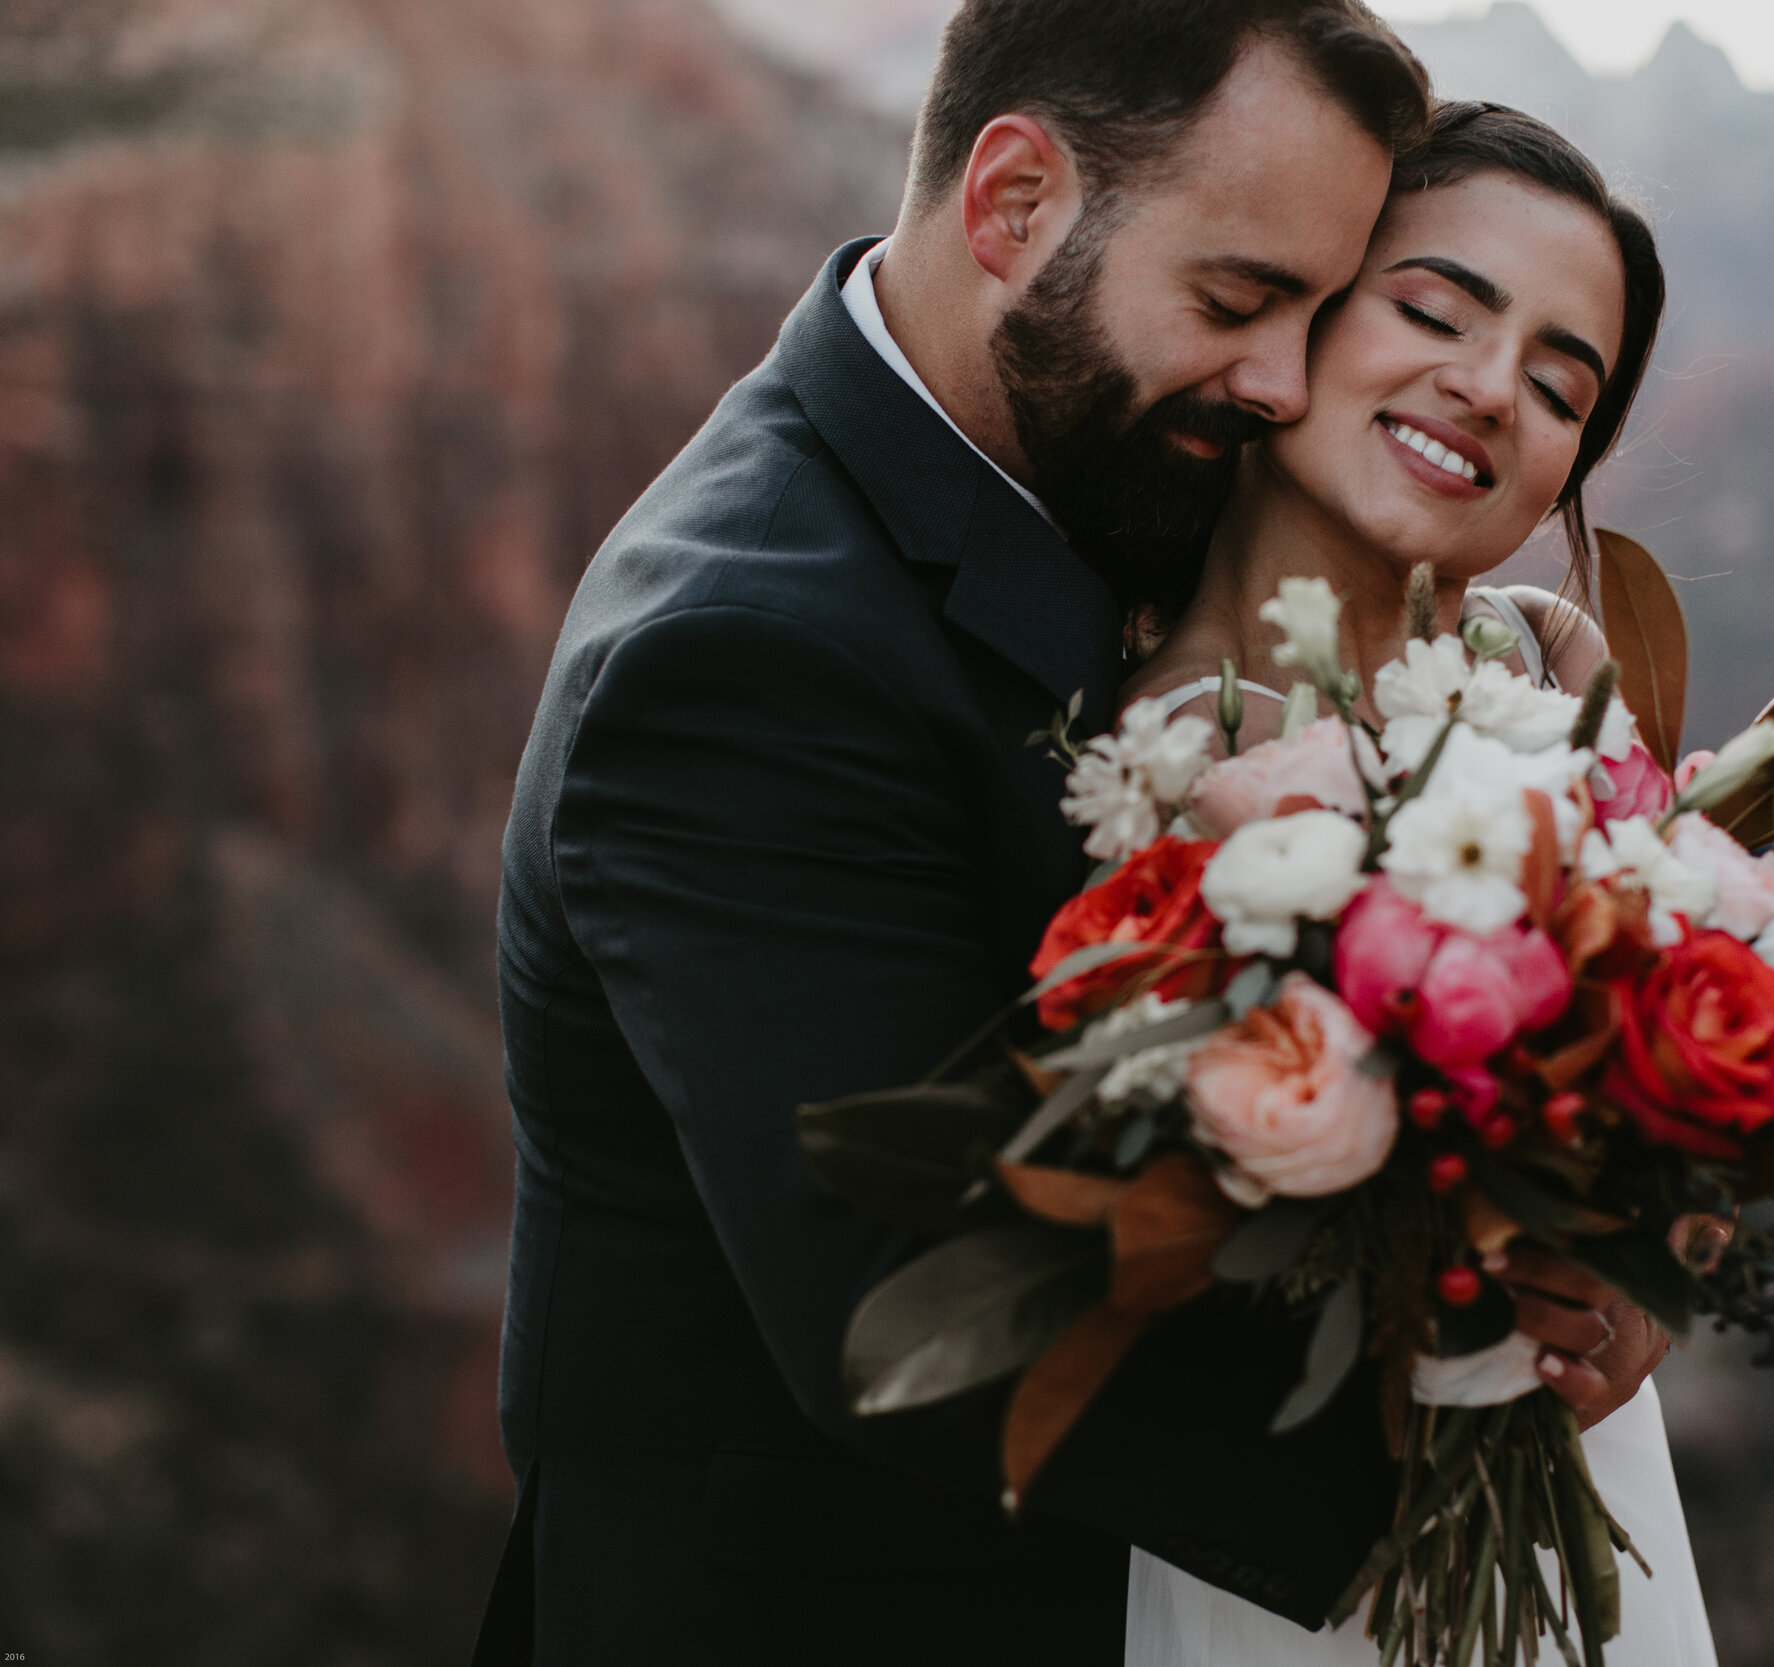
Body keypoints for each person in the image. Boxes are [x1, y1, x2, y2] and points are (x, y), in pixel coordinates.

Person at [475, 2, 1663, 1659]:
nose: (1273, 379)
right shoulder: (743, 651)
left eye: (1315, 309)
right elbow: (909, 1303)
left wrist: (1666, 1161)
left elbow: (1663, 845)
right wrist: (1477, 1403)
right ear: (1015, 206)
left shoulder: (1105, 461)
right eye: (1241, 299)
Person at [1120, 102, 1719, 1666]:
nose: (1486, 389)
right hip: (1258, 1531)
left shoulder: (1558, 665)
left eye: (1556, 382)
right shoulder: (1109, 741)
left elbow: (1695, 1038)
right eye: (1437, 311)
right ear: (1304, 305)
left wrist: (1658, 1259)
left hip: (1563, 1481)